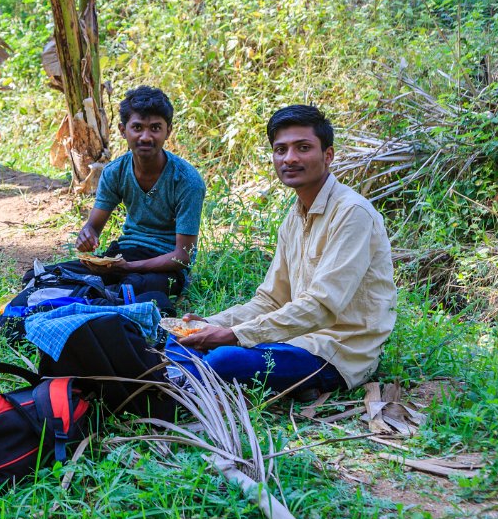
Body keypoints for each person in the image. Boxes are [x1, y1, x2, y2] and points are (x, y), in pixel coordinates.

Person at [166, 105, 397, 397]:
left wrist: (234, 336)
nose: (290, 158)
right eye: (281, 149)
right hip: (290, 338)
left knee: (224, 360)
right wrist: (212, 324)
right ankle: (187, 381)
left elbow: (321, 307)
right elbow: (271, 299)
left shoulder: (352, 213)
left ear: (328, 156)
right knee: (180, 338)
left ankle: (181, 385)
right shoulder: (295, 216)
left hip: (336, 351)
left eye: (303, 148)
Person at [75, 86, 205, 297]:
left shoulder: (187, 180)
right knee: (63, 276)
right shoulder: (115, 172)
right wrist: (87, 235)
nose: (145, 137)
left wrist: (130, 267)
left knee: (132, 289)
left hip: (166, 265)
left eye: (155, 128)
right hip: (126, 252)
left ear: (168, 131)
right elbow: (93, 227)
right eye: (137, 127)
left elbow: (183, 256)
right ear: (122, 130)